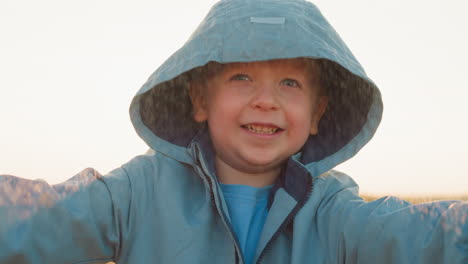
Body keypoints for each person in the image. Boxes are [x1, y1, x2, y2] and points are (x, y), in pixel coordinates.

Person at [0, 0, 466, 263]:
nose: (267, 100)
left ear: (319, 112)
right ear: (200, 99)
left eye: (290, 82)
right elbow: (40, 220)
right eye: (241, 77)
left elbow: (420, 236)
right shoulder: (137, 193)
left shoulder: (332, 211)